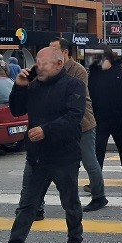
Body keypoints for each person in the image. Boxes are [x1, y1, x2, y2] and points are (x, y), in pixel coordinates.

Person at [0, 47, 86, 243]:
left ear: (59, 64)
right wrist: (19, 87)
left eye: (44, 63)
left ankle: (74, 241)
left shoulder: (73, 85)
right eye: (37, 62)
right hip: (37, 157)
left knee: (70, 203)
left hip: (64, 156)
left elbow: (74, 117)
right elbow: (17, 110)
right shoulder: (34, 85)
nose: (39, 66)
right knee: (27, 206)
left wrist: (46, 130)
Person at [49, 38, 108, 212]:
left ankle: (99, 196)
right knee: (52, 163)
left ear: (65, 52)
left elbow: (75, 96)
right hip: (61, 126)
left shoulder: (78, 70)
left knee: (90, 162)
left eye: (53, 49)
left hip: (83, 124)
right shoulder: (51, 69)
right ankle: (37, 203)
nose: (50, 52)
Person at [89, 45, 122, 186]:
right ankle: (95, 181)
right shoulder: (93, 74)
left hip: (120, 119)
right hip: (100, 119)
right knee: (97, 151)